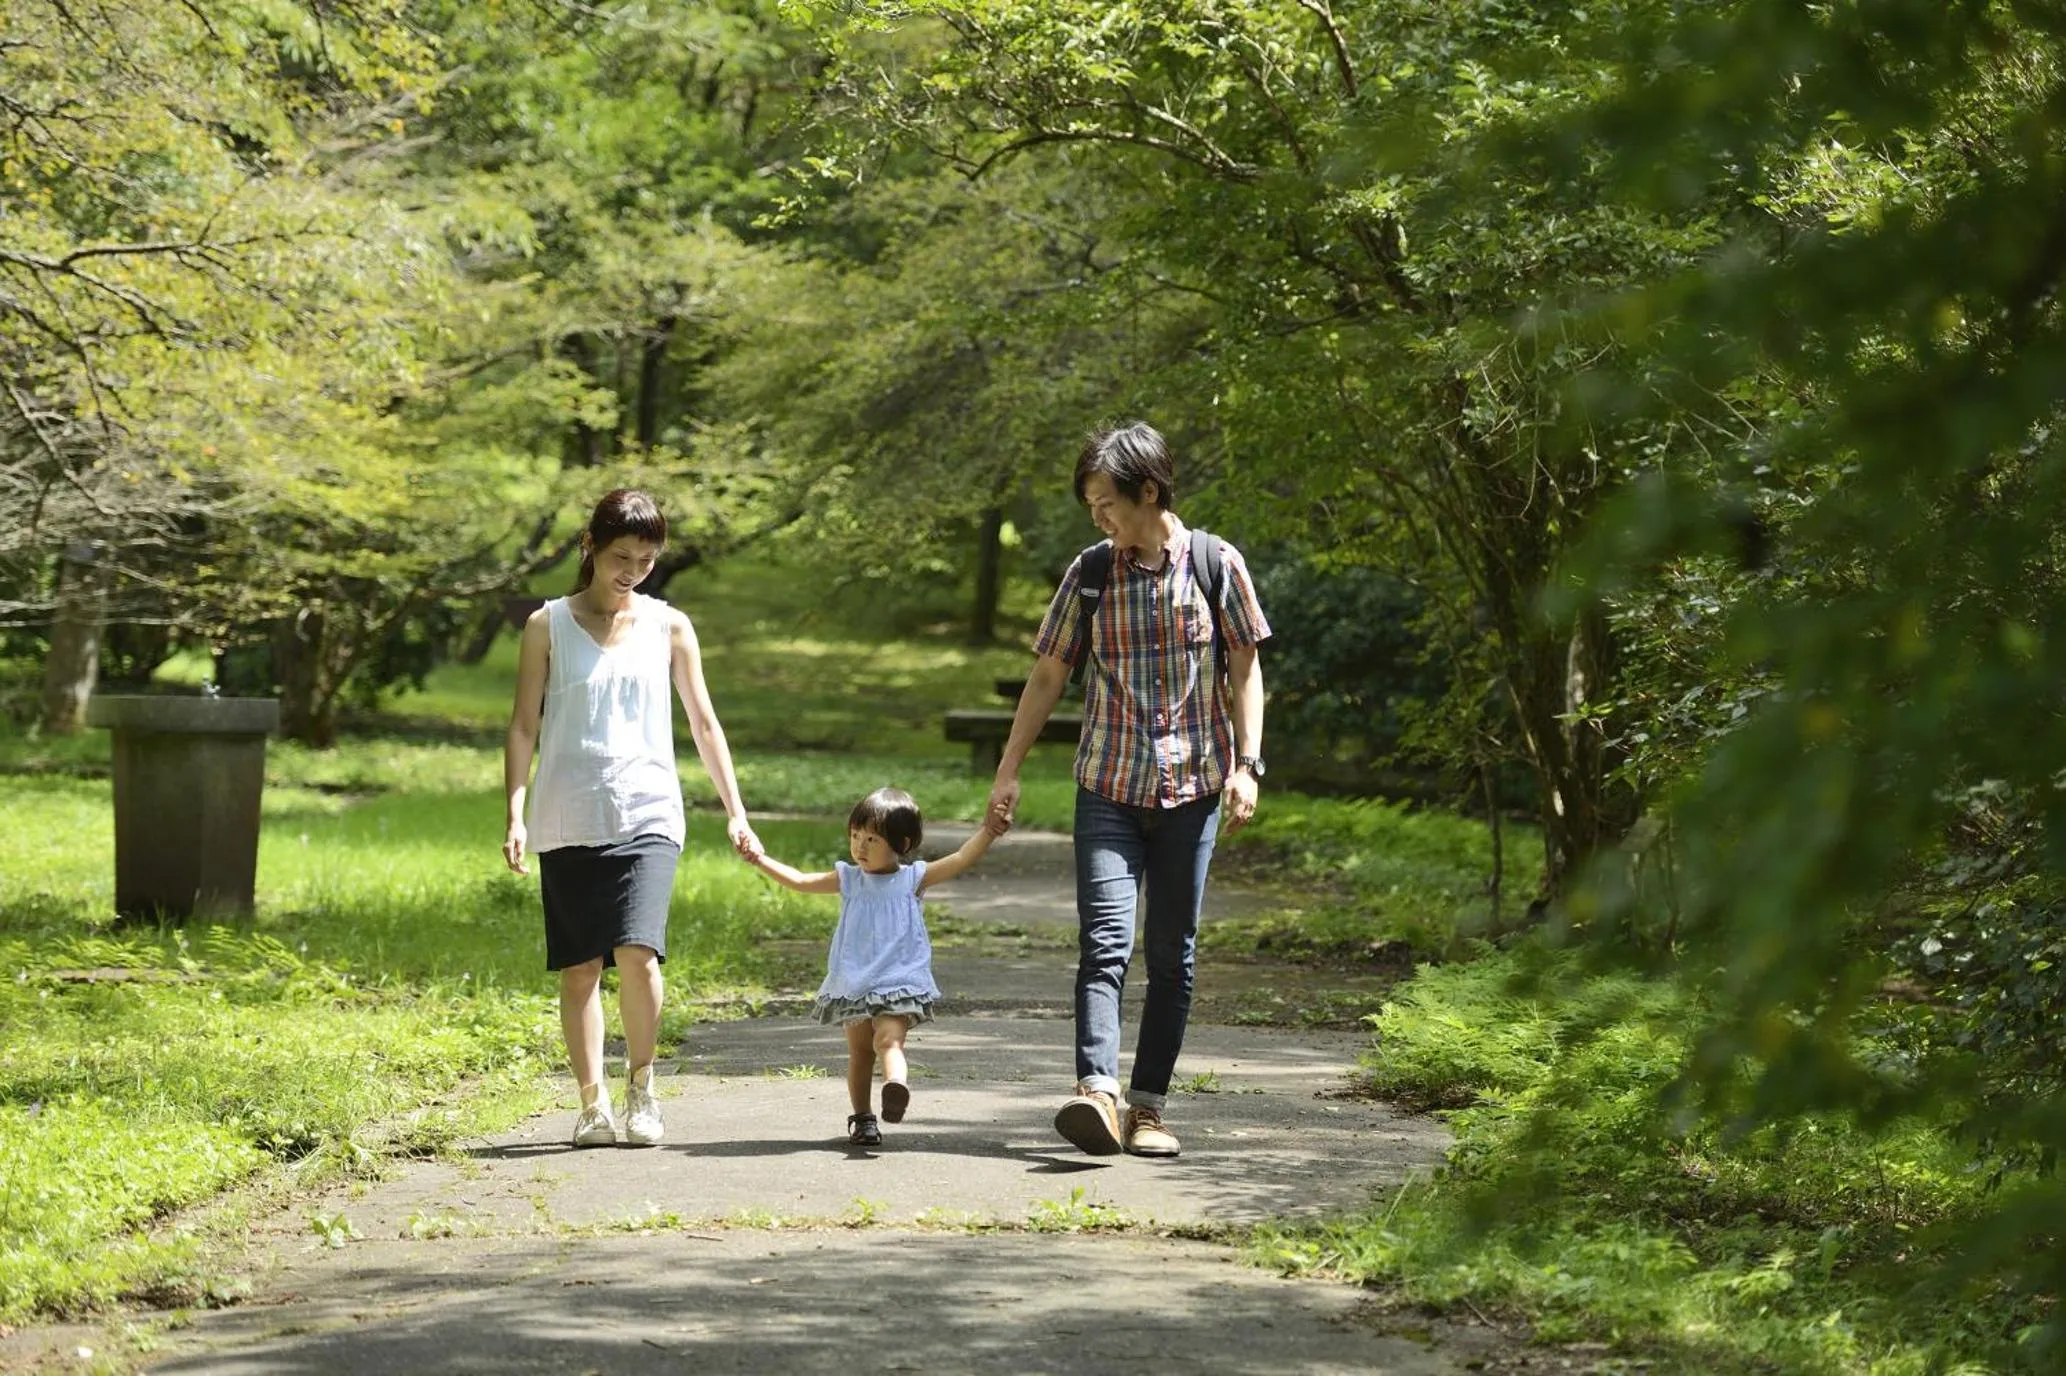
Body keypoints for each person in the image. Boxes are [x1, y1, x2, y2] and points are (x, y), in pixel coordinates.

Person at [986, 423, 1271, 1159]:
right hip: (1107, 786)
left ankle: (1147, 1107)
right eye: (1092, 509)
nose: (1100, 521)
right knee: (1105, 944)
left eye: (1108, 505)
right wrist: (1009, 767)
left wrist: (1249, 764)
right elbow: (1049, 671)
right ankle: (1096, 1092)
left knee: (1172, 954)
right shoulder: (1090, 573)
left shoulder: (1215, 564)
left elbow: (1244, 668)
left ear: (1150, 492)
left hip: (1194, 788)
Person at [503, 489, 761, 1148]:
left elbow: (704, 721)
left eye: (646, 561)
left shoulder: (669, 626)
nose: (632, 571)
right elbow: (523, 724)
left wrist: (736, 811)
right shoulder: (547, 626)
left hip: (647, 807)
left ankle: (642, 1091)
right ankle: (591, 1105)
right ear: (590, 546)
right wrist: (514, 809)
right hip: (567, 811)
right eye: (622, 556)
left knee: (639, 954)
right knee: (581, 967)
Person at [745, 787, 1005, 1147]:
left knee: (888, 1039)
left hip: (898, 980)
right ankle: (863, 1118)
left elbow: (961, 857)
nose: (860, 847)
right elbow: (801, 882)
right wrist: (760, 859)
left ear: (903, 842)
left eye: (871, 839)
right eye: (855, 836)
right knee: (860, 1052)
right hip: (853, 981)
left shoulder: (914, 878)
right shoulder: (848, 879)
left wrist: (989, 831)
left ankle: (895, 1085)